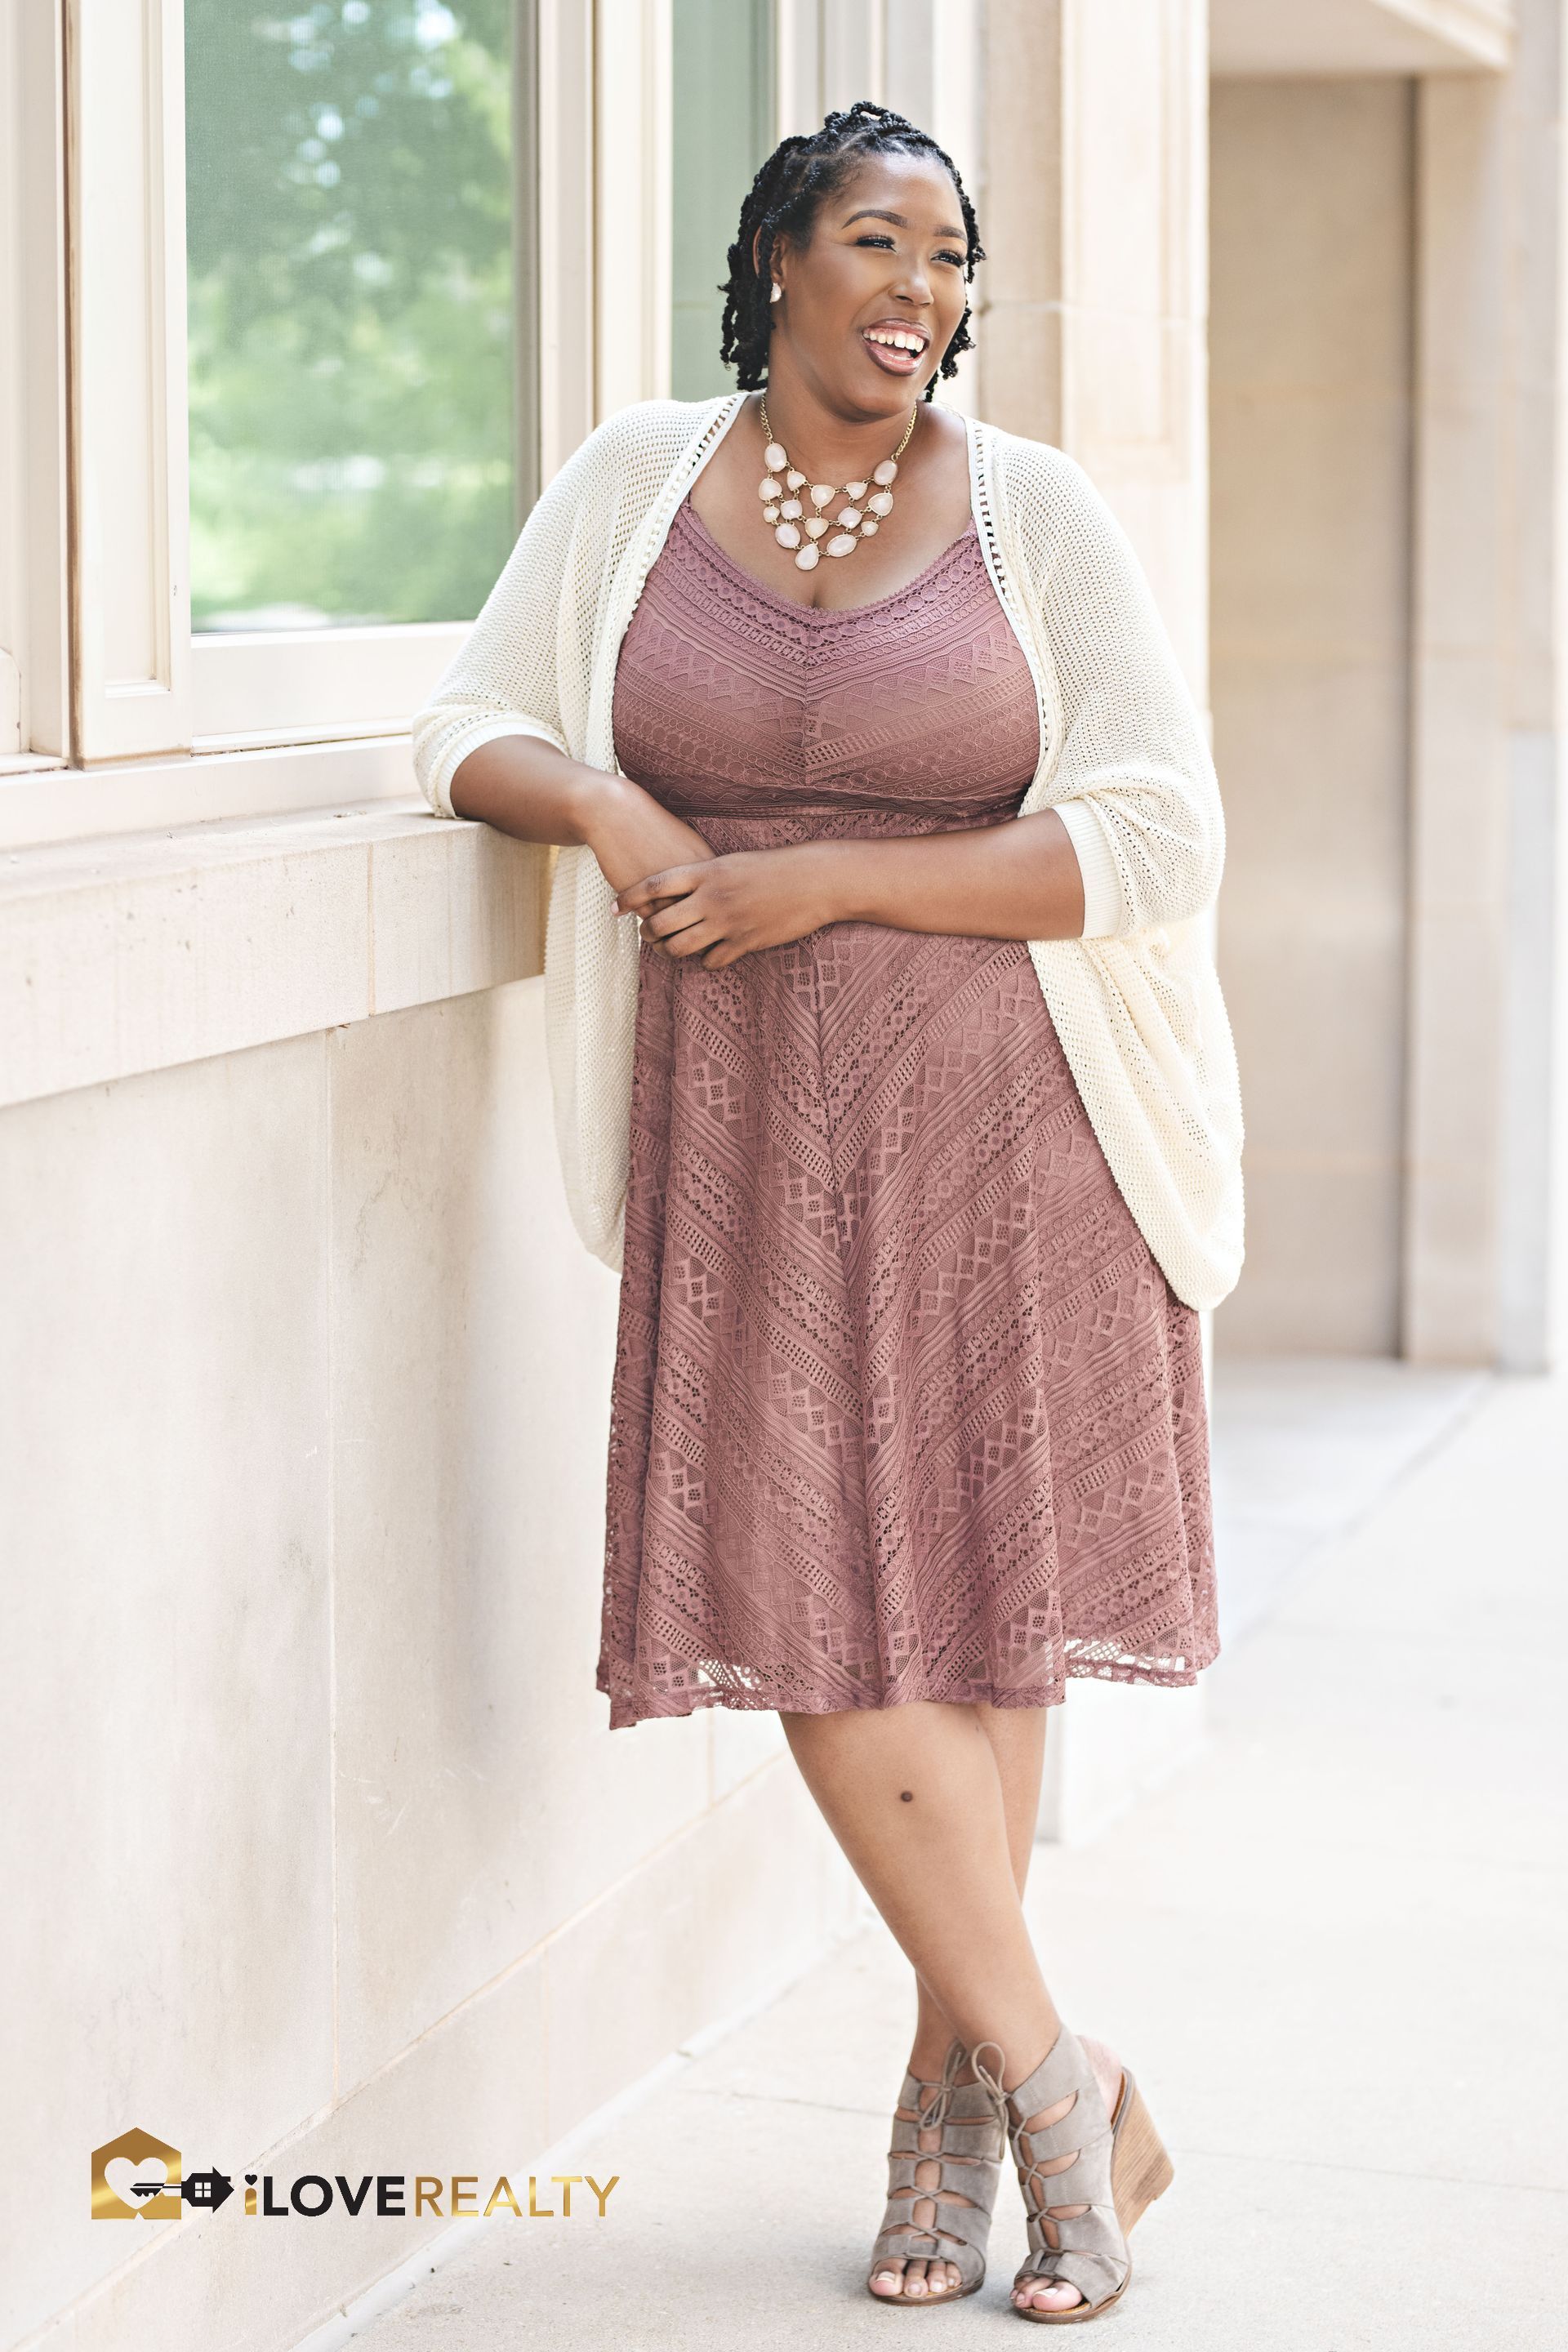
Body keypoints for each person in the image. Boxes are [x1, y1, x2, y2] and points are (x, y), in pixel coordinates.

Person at [412, 99, 1243, 2323]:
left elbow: (1165, 833)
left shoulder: (1031, 515)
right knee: (819, 1618)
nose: (923, 293)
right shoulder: (634, 483)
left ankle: (965, 2116)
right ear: (777, 254)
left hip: (1019, 1145)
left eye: (955, 261)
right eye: (881, 243)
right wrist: (596, 796)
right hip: (750, 1148)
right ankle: (1073, 2090)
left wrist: (832, 875)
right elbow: (465, 723)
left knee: (970, 1623)